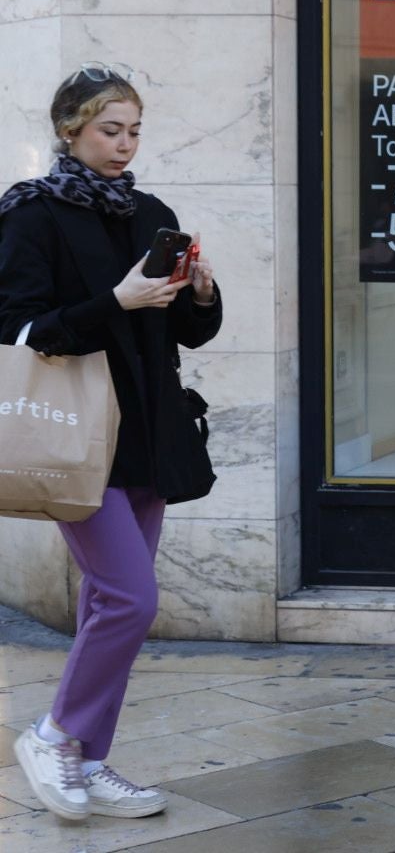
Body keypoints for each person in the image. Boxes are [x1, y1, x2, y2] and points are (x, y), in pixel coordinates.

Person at [0, 63, 221, 822]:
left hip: (148, 434)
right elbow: (18, 330)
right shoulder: (30, 214)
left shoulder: (148, 210)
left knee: (108, 601)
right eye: (109, 130)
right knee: (131, 598)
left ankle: (89, 758)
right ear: (70, 131)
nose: (125, 144)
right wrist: (113, 301)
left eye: (133, 130)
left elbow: (183, 332)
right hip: (76, 435)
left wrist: (198, 295)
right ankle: (54, 733)